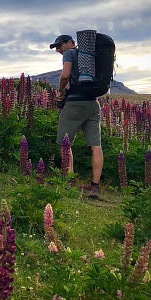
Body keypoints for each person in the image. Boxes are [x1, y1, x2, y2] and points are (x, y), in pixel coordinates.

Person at [49, 34, 103, 193]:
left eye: (59, 46)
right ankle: (95, 186)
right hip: (93, 103)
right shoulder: (89, 57)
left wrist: (60, 90)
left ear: (70, 43)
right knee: (96, 145)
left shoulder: (70, 53)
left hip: (75, 103)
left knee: (64, 141)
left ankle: (68, 179)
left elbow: (65, 75)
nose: (58, 50)